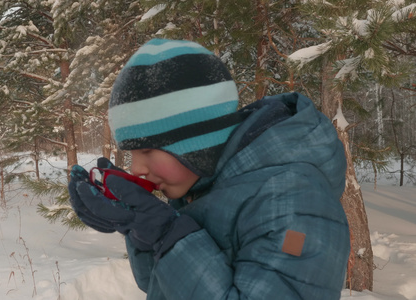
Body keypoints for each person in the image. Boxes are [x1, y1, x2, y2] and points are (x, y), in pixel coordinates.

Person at [68, 38, 350, 300]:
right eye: (130, 153)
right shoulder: (206, 186)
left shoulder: (294, 202)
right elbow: (158, 285)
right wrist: (138, 227)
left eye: (146, 150)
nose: (137, 169)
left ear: (195, 141)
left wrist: (168, 234)